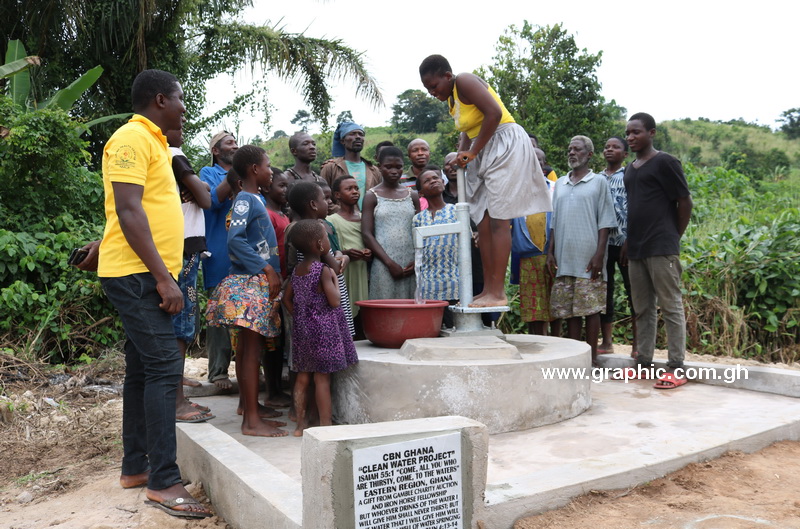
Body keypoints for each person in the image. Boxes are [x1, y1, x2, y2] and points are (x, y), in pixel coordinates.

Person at [97, 69, 211, 518]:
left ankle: (135, 467)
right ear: (161, 99)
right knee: (166, 367)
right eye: (181, 98)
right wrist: (164, 278)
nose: (184, 106)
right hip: (139, 276)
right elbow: (127, 209)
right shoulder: (130, 138)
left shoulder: (155, 142)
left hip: (141, 269)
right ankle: (164, 480)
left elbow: (134, 209)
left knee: (143, 370)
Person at [419, 54, 551, 308]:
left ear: (448, 76)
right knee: (485, 220)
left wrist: (473, 152)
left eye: (434, 86)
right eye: (428, 89)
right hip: (486, 146)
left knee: (500, 218)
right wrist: (462, 155)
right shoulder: (452, 100)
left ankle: (498, 291)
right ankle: (489, 289)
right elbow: (468, 132)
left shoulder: (465, 81)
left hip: (505, 142)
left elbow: (494, 113)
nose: (432, 93)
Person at [205, 145, 287, 437]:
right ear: (254, 169)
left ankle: (249, 409)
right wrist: (265, 269)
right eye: (267, 165)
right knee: (250, 353)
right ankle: (251, 421)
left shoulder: (254, 198)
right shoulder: (243, 201)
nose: (270, 170)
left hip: (256, 283)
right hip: (248, 284)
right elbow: (235, 241)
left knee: (251, 352)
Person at [623, 113, 693, 389]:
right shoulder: (631, 168)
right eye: (628, 133)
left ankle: (676, 366)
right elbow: (634, 208)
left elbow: (684, 202)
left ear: (651, 133)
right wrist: (629, 241)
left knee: (670, 306)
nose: (630, 137)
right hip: (637, 247)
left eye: (636, 132)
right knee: (643, 309)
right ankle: (644, 364)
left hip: (662, 245)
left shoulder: (665, 162)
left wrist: (674, 236)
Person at [283, 219, 358, 437]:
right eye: (326, 237)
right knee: (322, 378)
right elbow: (335, 301)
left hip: (303, 331)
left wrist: (301, 315)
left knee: (303, 377)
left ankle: (299, 426)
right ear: (319, 244)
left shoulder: (297, 270)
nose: (328, 240)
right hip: (324, 332)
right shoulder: (323, 270)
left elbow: (287, 299)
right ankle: (326, 426)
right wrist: (334, 279)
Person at [547, 136, 617, 366]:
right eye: (569, 149)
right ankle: (575, 357)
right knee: (569, 310)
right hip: (564, 258)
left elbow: (605, 222)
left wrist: (599, 255)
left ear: (589, 155)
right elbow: (555, 222)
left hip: (589, 257)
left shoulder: (598, 183)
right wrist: (550, 252)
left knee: (591, 309)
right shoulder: (561, 185)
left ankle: (592, 358)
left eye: (577, 149)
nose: (572, 153)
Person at [165, 122, 214, 423]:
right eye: (177, 123)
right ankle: (177, 402)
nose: (181, 127)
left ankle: (175, 392)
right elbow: (206, 198)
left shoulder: (168, 156)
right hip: (183, 248)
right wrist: (201, 189)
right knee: (182, 322)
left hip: (181, 246)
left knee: (180, 321)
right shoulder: (174, 154)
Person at [200, 130, 239, 390]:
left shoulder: (247, 174)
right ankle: (217, 372)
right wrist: (237, 173)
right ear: (216, 151)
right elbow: (212, 200)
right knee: (219, 316)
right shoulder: (207, 173)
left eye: (236, 142)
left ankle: (251, 367)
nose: (235, 146)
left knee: (248, 312)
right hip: (218, 252)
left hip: (244, 256)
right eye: (229, 143)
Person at [362, 146, 420, 300]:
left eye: (399, 167)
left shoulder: (412, 195)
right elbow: (367, 234)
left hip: (410, 264)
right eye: (388, 167)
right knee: (385, 308)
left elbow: (420, 231)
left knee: (411, 308)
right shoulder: (371, 196)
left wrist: (416, 261)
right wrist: (389, 263)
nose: (394, 171)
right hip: (384, 264)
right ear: (380, 167)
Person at [598, 136, 637, 357]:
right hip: (603, 245)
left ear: (625, 154)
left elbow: (636, 208)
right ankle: (607, 342)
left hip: (625, 244)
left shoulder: (629, 176)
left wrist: (629, 240)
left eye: (616, 147)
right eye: (607, 147)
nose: (610, 150)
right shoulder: (597, 178)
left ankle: (637, 344)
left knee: (634, 292)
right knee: (605, 292)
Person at [516, 140, 558, 336]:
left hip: (553, 254)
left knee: (555, 302)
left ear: (544, 165)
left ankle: (557, 342)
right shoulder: (516, 191)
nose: (535, 164)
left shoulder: (556, 189)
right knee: (532, 306)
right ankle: (537, 341)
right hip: (528, 255)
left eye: (539, 161)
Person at [262, 168, 293, 408]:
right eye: (281, 186)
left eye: (287, 186)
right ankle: (271, 391)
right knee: (271, 342)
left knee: (278, 340)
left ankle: (275, 389)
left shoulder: (283, 214)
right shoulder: (268, 215)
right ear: (266, 187)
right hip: (274, 282)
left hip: (284, 280)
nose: (286, 190)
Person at [413, 166, 459, 327]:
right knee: (433, 328)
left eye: (435, 178)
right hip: (428, 285)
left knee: (454, 326)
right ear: (421, 193)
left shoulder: (456, 211)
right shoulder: (418, 219)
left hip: (454, 282)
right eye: (427, 180)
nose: (433, 181)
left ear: (443, 182)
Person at [327, 175, 372, 331]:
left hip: (362, 271)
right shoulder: (331, 220)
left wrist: (368, 253)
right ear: (337, 195)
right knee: (346, 312)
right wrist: (347, 253)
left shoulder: (364, 218)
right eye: (349, 189)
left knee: (363, 312)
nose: (354, 192)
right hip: (344, 272)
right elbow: (330, 250)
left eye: (356, 188)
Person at [320, 121, 382, 210]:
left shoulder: (374, 170)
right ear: (342, 141)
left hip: (370, 221)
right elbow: (323, 198)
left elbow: (380, 198)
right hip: (340, 222)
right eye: (352, 134)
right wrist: (343, 214)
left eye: (361, 134)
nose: (357, 137)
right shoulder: (330, 168)